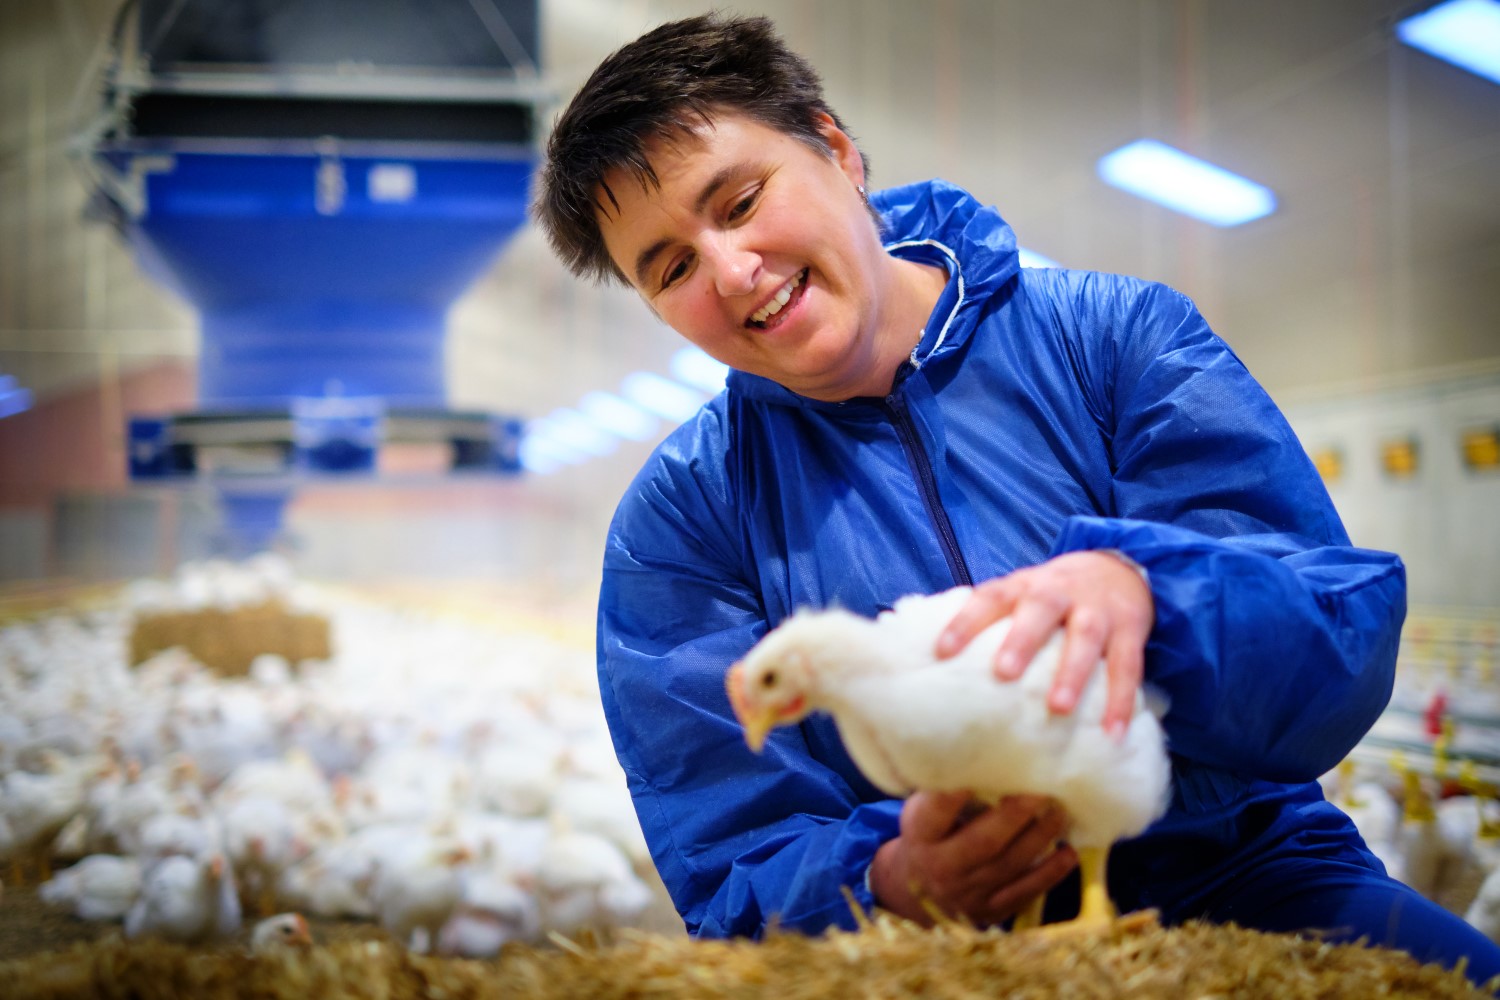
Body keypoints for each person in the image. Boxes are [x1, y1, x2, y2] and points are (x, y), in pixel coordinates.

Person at [533, 11, 1500, 983]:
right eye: (672, 267)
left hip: (1250, 871)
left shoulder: (1115, 341)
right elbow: (727, 848)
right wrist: (886, 879)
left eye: (739, 202)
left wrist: (1150, 590)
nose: (732, 272)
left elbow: (1337, 648)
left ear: (835, 149)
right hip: (930, 945)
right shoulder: (683, 521)